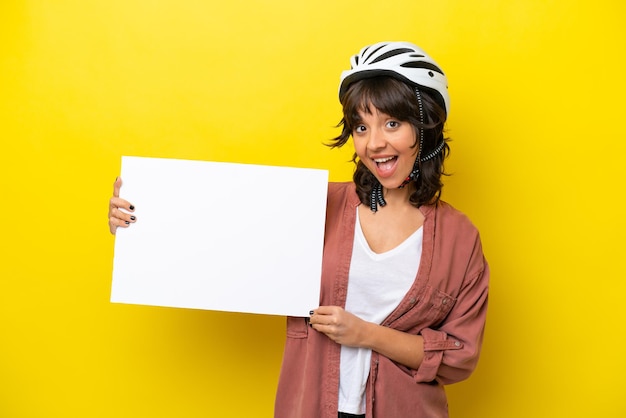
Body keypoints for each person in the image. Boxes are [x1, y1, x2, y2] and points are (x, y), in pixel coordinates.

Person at [108, 41, 489, 418]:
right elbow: (216, 238)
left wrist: (366, 334)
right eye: (360, 126)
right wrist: (138, 220)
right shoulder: (311, 206)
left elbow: (458, 357)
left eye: (392, 123)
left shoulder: (460, 239)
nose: (374, 143)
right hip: (309, 405)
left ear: (426, 129)